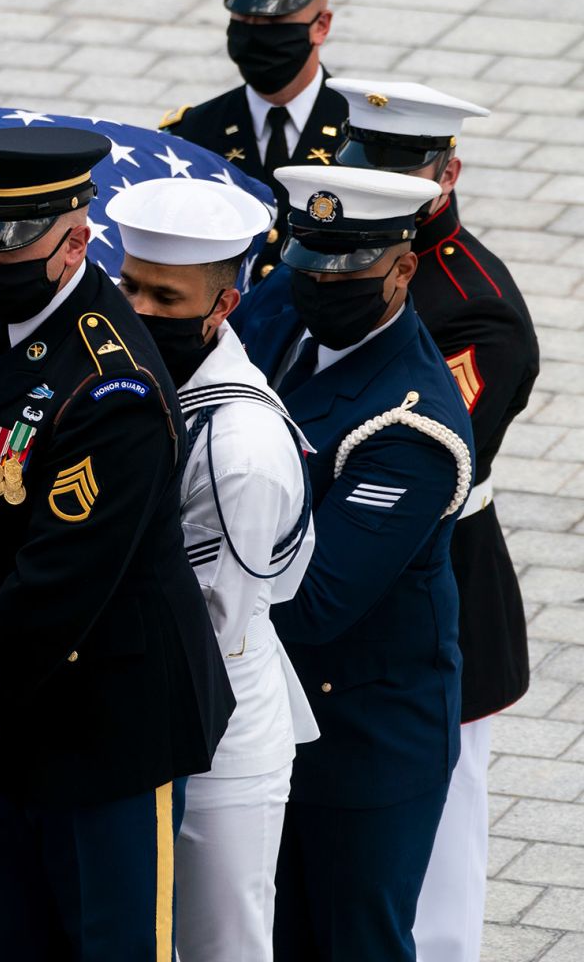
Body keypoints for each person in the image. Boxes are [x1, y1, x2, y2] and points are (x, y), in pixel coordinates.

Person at [0, 126, 235, 960]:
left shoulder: (113, 384)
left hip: (99, 721)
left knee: (110, 945)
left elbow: (60, 578)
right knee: (4, 942)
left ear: (74, 241)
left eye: (10, 246)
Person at [233, 164, 476, 961]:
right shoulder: (285, 301)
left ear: (403, 270)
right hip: (273, 714)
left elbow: (313, 601)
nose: (318, 285)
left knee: (350, 940)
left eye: (347, 271)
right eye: (308, 262)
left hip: (363, 733)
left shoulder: (413, 426)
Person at [323, 78, 541, 962]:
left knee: (436, 860)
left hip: (437, 585)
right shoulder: (320, 257)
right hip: (332, 580)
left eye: (399, 169)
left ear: (446, 173)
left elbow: (412, 466)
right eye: (361, 162)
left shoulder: (474, 308)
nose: (376, 186)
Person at [110, 177, 319, 962]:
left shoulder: (240, 449)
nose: (139, 309)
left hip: (216, 724)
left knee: (216, 944)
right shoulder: (154, 382)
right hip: (159, 708)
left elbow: (214, 620)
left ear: (223, 306)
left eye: (165, 297)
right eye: (129, 286)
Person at [161, 0, 354, 279]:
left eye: (273, 22)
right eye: (243, 21)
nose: (254, 36)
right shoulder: (193, 132)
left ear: (321, 26)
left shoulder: (363, 134)